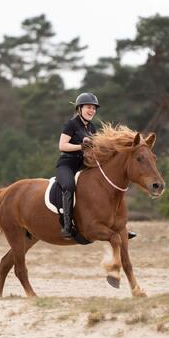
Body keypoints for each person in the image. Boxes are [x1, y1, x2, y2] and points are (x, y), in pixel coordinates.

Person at [56, 92, 99, 239]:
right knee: (69, 186)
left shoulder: (92, 127)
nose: (92, 110)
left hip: (84, 165)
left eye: (94, 108)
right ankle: (67, 226)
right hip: (67, 164)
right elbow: (62, 146)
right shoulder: (71, 124)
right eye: (88, 107)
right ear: (79, 108)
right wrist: (81, 146)